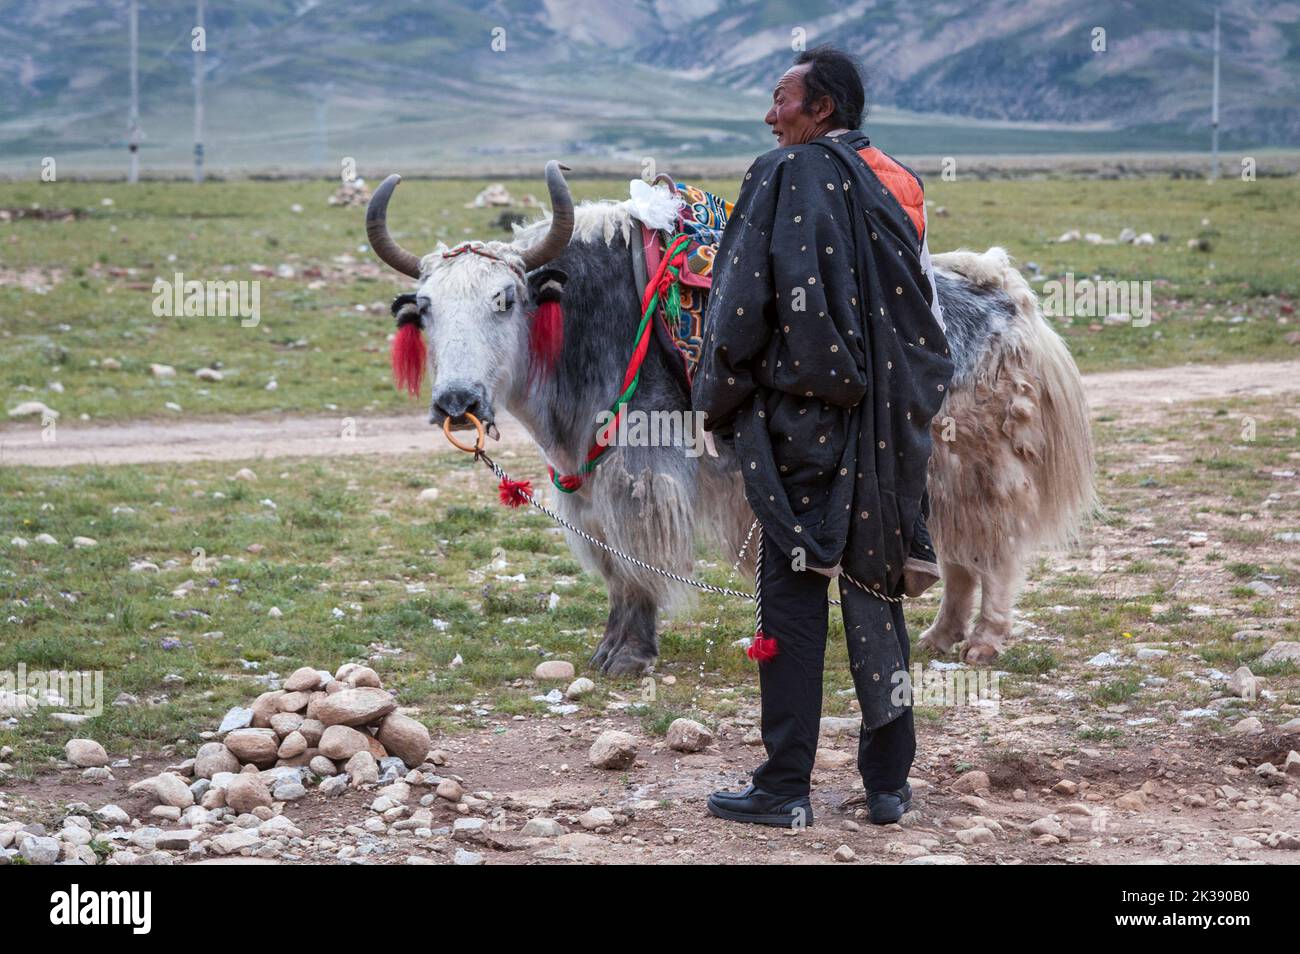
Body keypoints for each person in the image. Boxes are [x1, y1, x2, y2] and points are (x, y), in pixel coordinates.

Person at [692, 45, 954, 827]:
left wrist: (722, 399)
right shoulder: (899, 179)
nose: (769, 115)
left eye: (782, 99)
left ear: (822, 109)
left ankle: (783, 789)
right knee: (878, 592)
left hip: (803, 425)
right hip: (890, 426)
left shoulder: (780, 174)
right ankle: (887, 788)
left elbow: (739, 308)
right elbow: (921, 312)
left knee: (794, 598)